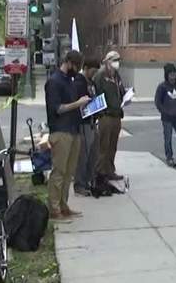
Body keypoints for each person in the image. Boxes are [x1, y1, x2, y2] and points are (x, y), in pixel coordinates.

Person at [45, 50, 91, 220]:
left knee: (69, 172)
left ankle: (63, 205)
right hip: (60, 130)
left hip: (73, 129)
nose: (77, 70)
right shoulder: (54, 82)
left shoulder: (70, 82)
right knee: (59, 171)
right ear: (69, 62)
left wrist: (83, 105)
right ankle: (54, 208)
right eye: (76, 66)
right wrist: (78, 103)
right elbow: (58, 108)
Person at [93, 51, 125, 181]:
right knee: (103, 146)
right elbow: (96, 94)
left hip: (117, 114)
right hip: (105, 115)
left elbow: (121, 91)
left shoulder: (116, 76)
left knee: (113, 145)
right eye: (114, 60)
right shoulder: (100, 76)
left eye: (118, 60)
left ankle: (110, 170)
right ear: (108, 61)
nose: (117, 63)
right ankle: (100, 172)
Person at [73, 58, 101, 196]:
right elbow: (79, 103)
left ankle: (90, 180)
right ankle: (80, 184)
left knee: (93, 154)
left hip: (92, 121)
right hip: (83, 123)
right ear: (86, 68)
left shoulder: (92, 82)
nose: (94, 74)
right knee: (83, 156)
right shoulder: (79, 82)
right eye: (93, 71)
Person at [155, 63, 176, 167]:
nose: (173, 77)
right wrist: (165, 112)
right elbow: (158, 102)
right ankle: (169, 158)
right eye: (170, 74)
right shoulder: (162, 87)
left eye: (174, 74)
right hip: (167, 118)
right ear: (167, 75)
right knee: (168, 138)